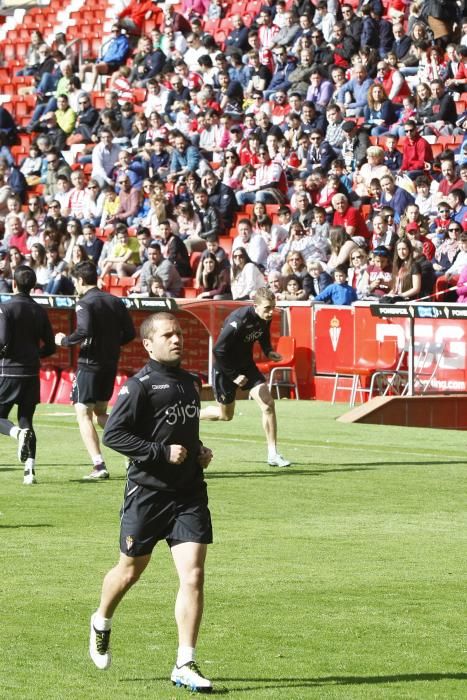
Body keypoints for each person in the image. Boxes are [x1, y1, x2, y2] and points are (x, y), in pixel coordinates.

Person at [89, 312, 214, 694]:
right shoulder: (138, 386)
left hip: (188, 493)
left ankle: (184, 662)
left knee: (193, 574)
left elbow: (182, 430)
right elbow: (114, 434)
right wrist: (160, 452)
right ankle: (101, 620)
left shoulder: (191, 382)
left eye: (178, 333)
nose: (176, 339)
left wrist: (198, 450)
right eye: (167, 334)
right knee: (130, 571)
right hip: (146, 495)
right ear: (148, 343)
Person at [54, 261, 136, 479]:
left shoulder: (84, 303)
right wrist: (109, 344)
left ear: (80, 281)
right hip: (109, 365)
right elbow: (129, 334)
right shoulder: (115, 301)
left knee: (83, 413)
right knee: (100, 413)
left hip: (89, 366)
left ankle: (99, 466)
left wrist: (64, 341)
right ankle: (134, 451)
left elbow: (84, 330)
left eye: (75, 282)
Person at [200, 286, 291, 468]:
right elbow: (218, 350)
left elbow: (263, 334)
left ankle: (273, 453)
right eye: (266, 308)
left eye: (272, 307)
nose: (270, 312)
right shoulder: (238, 320)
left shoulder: (265, 316)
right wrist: (234, 376)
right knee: (226, 416)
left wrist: (268, 350)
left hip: (247, 366)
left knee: (268, 404)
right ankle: (192, 415)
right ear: (255, 305)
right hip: (226, 370)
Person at [0, 265, 55, 484]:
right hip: (31, 372)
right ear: (33, 286)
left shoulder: (6, 308)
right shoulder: (40, 310)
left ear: (14, 283)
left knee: (5, 420)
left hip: (9, 371)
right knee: (26, 420)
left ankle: (16, 435)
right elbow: (50, 346)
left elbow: (2, 341)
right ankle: (29, 471)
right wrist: (34, 354)